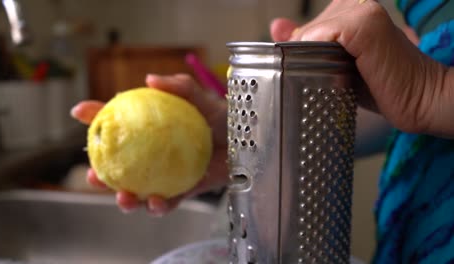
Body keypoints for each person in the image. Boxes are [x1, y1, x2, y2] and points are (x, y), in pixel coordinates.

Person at [71, 0, 454, 263]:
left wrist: (432, 92)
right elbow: (410, 84)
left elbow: (423, 91)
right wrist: (255, 133)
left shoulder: (429, 89)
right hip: (413, 233)